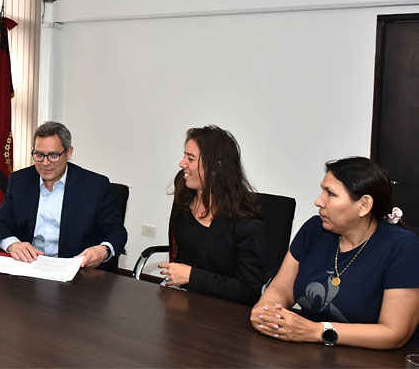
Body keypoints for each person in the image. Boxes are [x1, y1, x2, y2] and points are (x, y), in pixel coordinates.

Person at [251, 157, 419, 349]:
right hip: (306, 351)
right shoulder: (314, 230)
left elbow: (394, 333)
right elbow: (281, 289)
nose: (318, 201)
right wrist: (265, 312)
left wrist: (317, 331)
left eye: (330, 194)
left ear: (364, 205)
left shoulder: (403, 248)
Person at [0, 121, 127, 269]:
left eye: (53, 155)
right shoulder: (20, 181)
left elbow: (116, 231)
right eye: (39, 155)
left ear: (68, 153)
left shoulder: (95, 186)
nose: (45, 163)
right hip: (30, 268)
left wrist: (103, 250)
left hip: (78, 272)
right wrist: (13, 244)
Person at [159, 125, 265, 305]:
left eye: (190, 158)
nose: (182, 163)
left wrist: (192, 277)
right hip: (180, 300)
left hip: (222, 311)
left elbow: (249, 290)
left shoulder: (246, 222)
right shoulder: (184, 189)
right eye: (184, 155)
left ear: (216, 168)